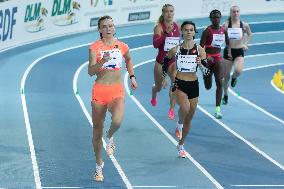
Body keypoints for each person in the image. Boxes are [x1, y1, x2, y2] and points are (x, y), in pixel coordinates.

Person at [88, 15, 138, 182]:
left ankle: (110, 137)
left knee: (117, 121)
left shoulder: (122, 46)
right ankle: (98, 166)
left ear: (114, 28)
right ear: (100, 30)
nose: (108, 29)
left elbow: (129, 59)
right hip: (100, 91)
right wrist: (102, 60)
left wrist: (132, 76)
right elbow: (90, 72)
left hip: (116, 90)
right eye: (104, 26)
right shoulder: (94, 47)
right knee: (96, 131)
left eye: (110, 25)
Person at [163, 21, 206, 157]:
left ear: (194, 32)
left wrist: (202, 65)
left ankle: (181, 145)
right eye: (186, 30)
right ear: (182, 32)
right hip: (179, 83)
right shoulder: (176, 49)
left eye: (191, 30)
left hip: (194, 85)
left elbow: (207, 72)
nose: (188, 32)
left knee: (190, 118)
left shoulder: (200, 50)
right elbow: (165, 61)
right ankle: (179, 123)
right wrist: (164, 77)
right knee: (185, 108)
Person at [200, 9, 231, 119]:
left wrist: (229, 53)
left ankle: (218, 110)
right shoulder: (207, 31)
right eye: (214, 17)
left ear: (220, 18)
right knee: (208, 86)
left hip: (218, 59)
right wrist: (207, 56)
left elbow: (228, 44)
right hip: (208, 60)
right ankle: (207, 78)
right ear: (211, 19)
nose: (216, 19)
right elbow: (200, 47)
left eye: (218, 17)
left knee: (219, 83)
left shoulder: (223, 31)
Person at [152, 4, 180, 120]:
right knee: (159, 87)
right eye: (167, 11)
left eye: (171, 11)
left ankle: (171, 109)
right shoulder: (159, 27)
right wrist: (166, 34)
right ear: (163, 13)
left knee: (175, 82)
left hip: (173, 61)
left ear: (174, 13)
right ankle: (154, 92)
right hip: (161, 62)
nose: (169, 14)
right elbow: (155, 44)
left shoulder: (177, 26)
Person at [222, 5, 252, 104]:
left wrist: (246, 44)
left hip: (239, 51)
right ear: (230, 13)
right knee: (225, 77)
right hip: (228, 52)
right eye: (233, 12)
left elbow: (249, 34)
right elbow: (219, 34)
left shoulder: (244, 25)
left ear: (239, 13)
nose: (235, 13)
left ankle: (234, 77)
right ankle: (225, 94)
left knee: (238, 71)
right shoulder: (226, 25)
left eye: (237, 11)